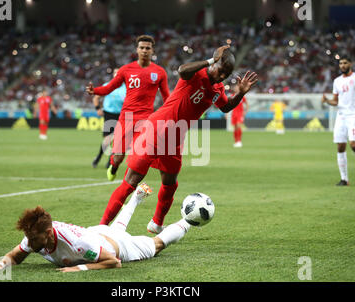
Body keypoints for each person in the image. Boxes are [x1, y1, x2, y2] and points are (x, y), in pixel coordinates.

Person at [99, 45, 258, 233]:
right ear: (214, 64)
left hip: (175, 137)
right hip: (156, 129)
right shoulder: (195, 74)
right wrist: (210, 60)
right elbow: (182, 70)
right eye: (221, 71)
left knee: (170, 182)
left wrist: (240, 93)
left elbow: (225, 107)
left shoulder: (217, 88)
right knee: (131, 181)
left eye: (227, 75)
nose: (222, 77)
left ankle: (156, 223)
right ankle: (101, 227)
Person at [0, 183, 194, 272]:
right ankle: (136, 198)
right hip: (96, 233)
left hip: (117, 247)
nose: (29, 241)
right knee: (115, 228)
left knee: (157, 245)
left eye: (33, 238)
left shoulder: (76, 244)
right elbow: (15, 256)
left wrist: (79, 268)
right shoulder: (34, 237)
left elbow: (114, 262)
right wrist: (0, 265)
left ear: (48, 233)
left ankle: (190, 218)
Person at [86, 35, 170, 181]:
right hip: (126, 118)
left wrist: (172, 112)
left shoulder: (160, 72)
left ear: (152, 51)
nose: (144, 50)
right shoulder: (126, 70)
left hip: (146, 120)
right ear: (137, 50)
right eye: (142, 48)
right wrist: (96, 91)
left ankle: (128, 185)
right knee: (118, 156)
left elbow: (166, 97)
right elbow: (110, 87)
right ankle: (114, 165)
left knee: (138, 156)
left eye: (147, 48)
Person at [322, 56, 355, 186]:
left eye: (345, 63)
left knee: (354, 145)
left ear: (350, 64)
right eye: (340, 63)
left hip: (354, 115)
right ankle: (344, 179)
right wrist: (327, 101)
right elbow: (336, 101)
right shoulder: (337, 81)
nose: (342, 65)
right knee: (340, 147)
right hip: (341, 116)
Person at [91, 68, 126, 169]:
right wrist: (98, 108)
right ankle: (98, 157)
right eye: (115, 73)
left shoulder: (126, 88)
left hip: (120, 115)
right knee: (107, 140)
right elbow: (96, 97)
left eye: (118, 73)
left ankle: (109, 161)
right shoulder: (108, 85)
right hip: (109, 114)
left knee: (117, 139)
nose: (116, 74)